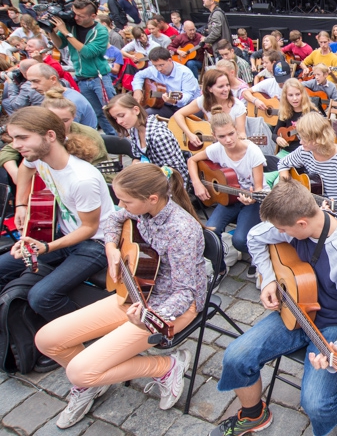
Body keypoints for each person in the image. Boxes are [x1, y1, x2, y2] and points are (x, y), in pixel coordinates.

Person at [34, 164, 204, 428]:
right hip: (136, 290)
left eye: (125, 200)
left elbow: (185, 291)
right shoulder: (142, 209)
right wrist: (112, 246)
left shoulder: (182, 229)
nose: (119, 205)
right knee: (46, 339)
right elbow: (114, 219)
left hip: (171, 307)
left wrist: (151, 317)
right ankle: (92, 381)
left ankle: (165, 367)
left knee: (78, 371)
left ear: (152, 198)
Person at [212, 179, 337, 436]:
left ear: (301, 224)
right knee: (235, 357)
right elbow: (254, 236)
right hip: (295, 309)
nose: (279, 233)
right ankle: (253, 414)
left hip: (332, 325)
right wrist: (269, 279)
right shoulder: (295, 224)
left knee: (316, 403)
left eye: (282, 229)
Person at [0, 107, 114, 320]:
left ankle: (86, 332)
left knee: (41, 297)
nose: (15, 145)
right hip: (64, 235)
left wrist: (46, 247)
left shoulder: (82, 179)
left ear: (50, 135)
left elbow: (89, 228)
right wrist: (21, 205)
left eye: (22, 138)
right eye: (14, 138)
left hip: (95, 244)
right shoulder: (39, 156)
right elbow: (25, 168)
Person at [188, 109, 267, 271]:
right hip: (228, 197)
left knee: (240, 240)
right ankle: (220, 268)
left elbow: (258, 189)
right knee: (210, 232)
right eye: (222, 136)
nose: (228, 140)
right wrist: (197, 183)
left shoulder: (253, 152)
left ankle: (262, 255)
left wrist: (251, 198)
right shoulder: (216, 149)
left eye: (231, 133)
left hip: (253, 200)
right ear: (214, 136)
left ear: (237, 130)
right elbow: (192, 160)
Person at [42, 0, 117, 135]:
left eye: (81, 16)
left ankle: (121, 142)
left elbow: (88, 52)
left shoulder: (100, 31)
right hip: (82, 78)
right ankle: (110, 141)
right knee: (97, 114)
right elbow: (60, 44)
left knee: (110, 111)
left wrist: (66, 32)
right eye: (74, 13)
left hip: (99, 78)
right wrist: (50, 30)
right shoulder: (72, 26)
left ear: (93, 16)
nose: (76, 18)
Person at [104, 93, 189, 184]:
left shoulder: (159, 135)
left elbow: (173, 171)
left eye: (121, 115)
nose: (119, 121)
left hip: (172, 184)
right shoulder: (134, 129)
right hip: (152, 177)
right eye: (115, 118)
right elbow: (139, 157)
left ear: (136, 110)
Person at [276, 112, 337, 199]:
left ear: (318, 139)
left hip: (332, 207)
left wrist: (328, 209)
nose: (300, 142)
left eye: (304, 139)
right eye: (300, 137)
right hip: (310, 203)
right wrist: (286, 187)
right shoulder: (304, 151)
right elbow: (283, 163)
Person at [173, 68, 247, 150]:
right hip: (212, 145)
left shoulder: (238, 106)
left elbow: (241, 134)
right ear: (209, 89)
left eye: (227, 85)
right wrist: (190, 135)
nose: (226, 89)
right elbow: (178, 114)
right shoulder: (203, 100)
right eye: (221, 86)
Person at [131, 47, 201, 118]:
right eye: (155, 66)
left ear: (170, 60)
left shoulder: (185, 73)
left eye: (161, 65)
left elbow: (187, 95)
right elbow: (138, 75)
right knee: (144, 114)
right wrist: (137, 90)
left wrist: (175, 101)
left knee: (183, 120)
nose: (159, 69)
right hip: (166, 106)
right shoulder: (153, 70)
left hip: (189, 106)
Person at [26, 63, 97, 128]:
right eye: (31, 82)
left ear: (53, 79)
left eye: (36, 81)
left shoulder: (70, 101)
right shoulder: (60, 95)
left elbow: (66, 132)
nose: (32, 86)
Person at [270, 78, 319, 155]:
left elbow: (318, 136)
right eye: (290, 95)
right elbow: (274, 134)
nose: (295, 98)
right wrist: (277, 138)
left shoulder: (311, 113)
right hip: (287, 151)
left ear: (303, 94)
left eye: (297, 94)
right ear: (285, 97)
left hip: (306, 152)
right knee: (273, 165)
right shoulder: (284, 112)